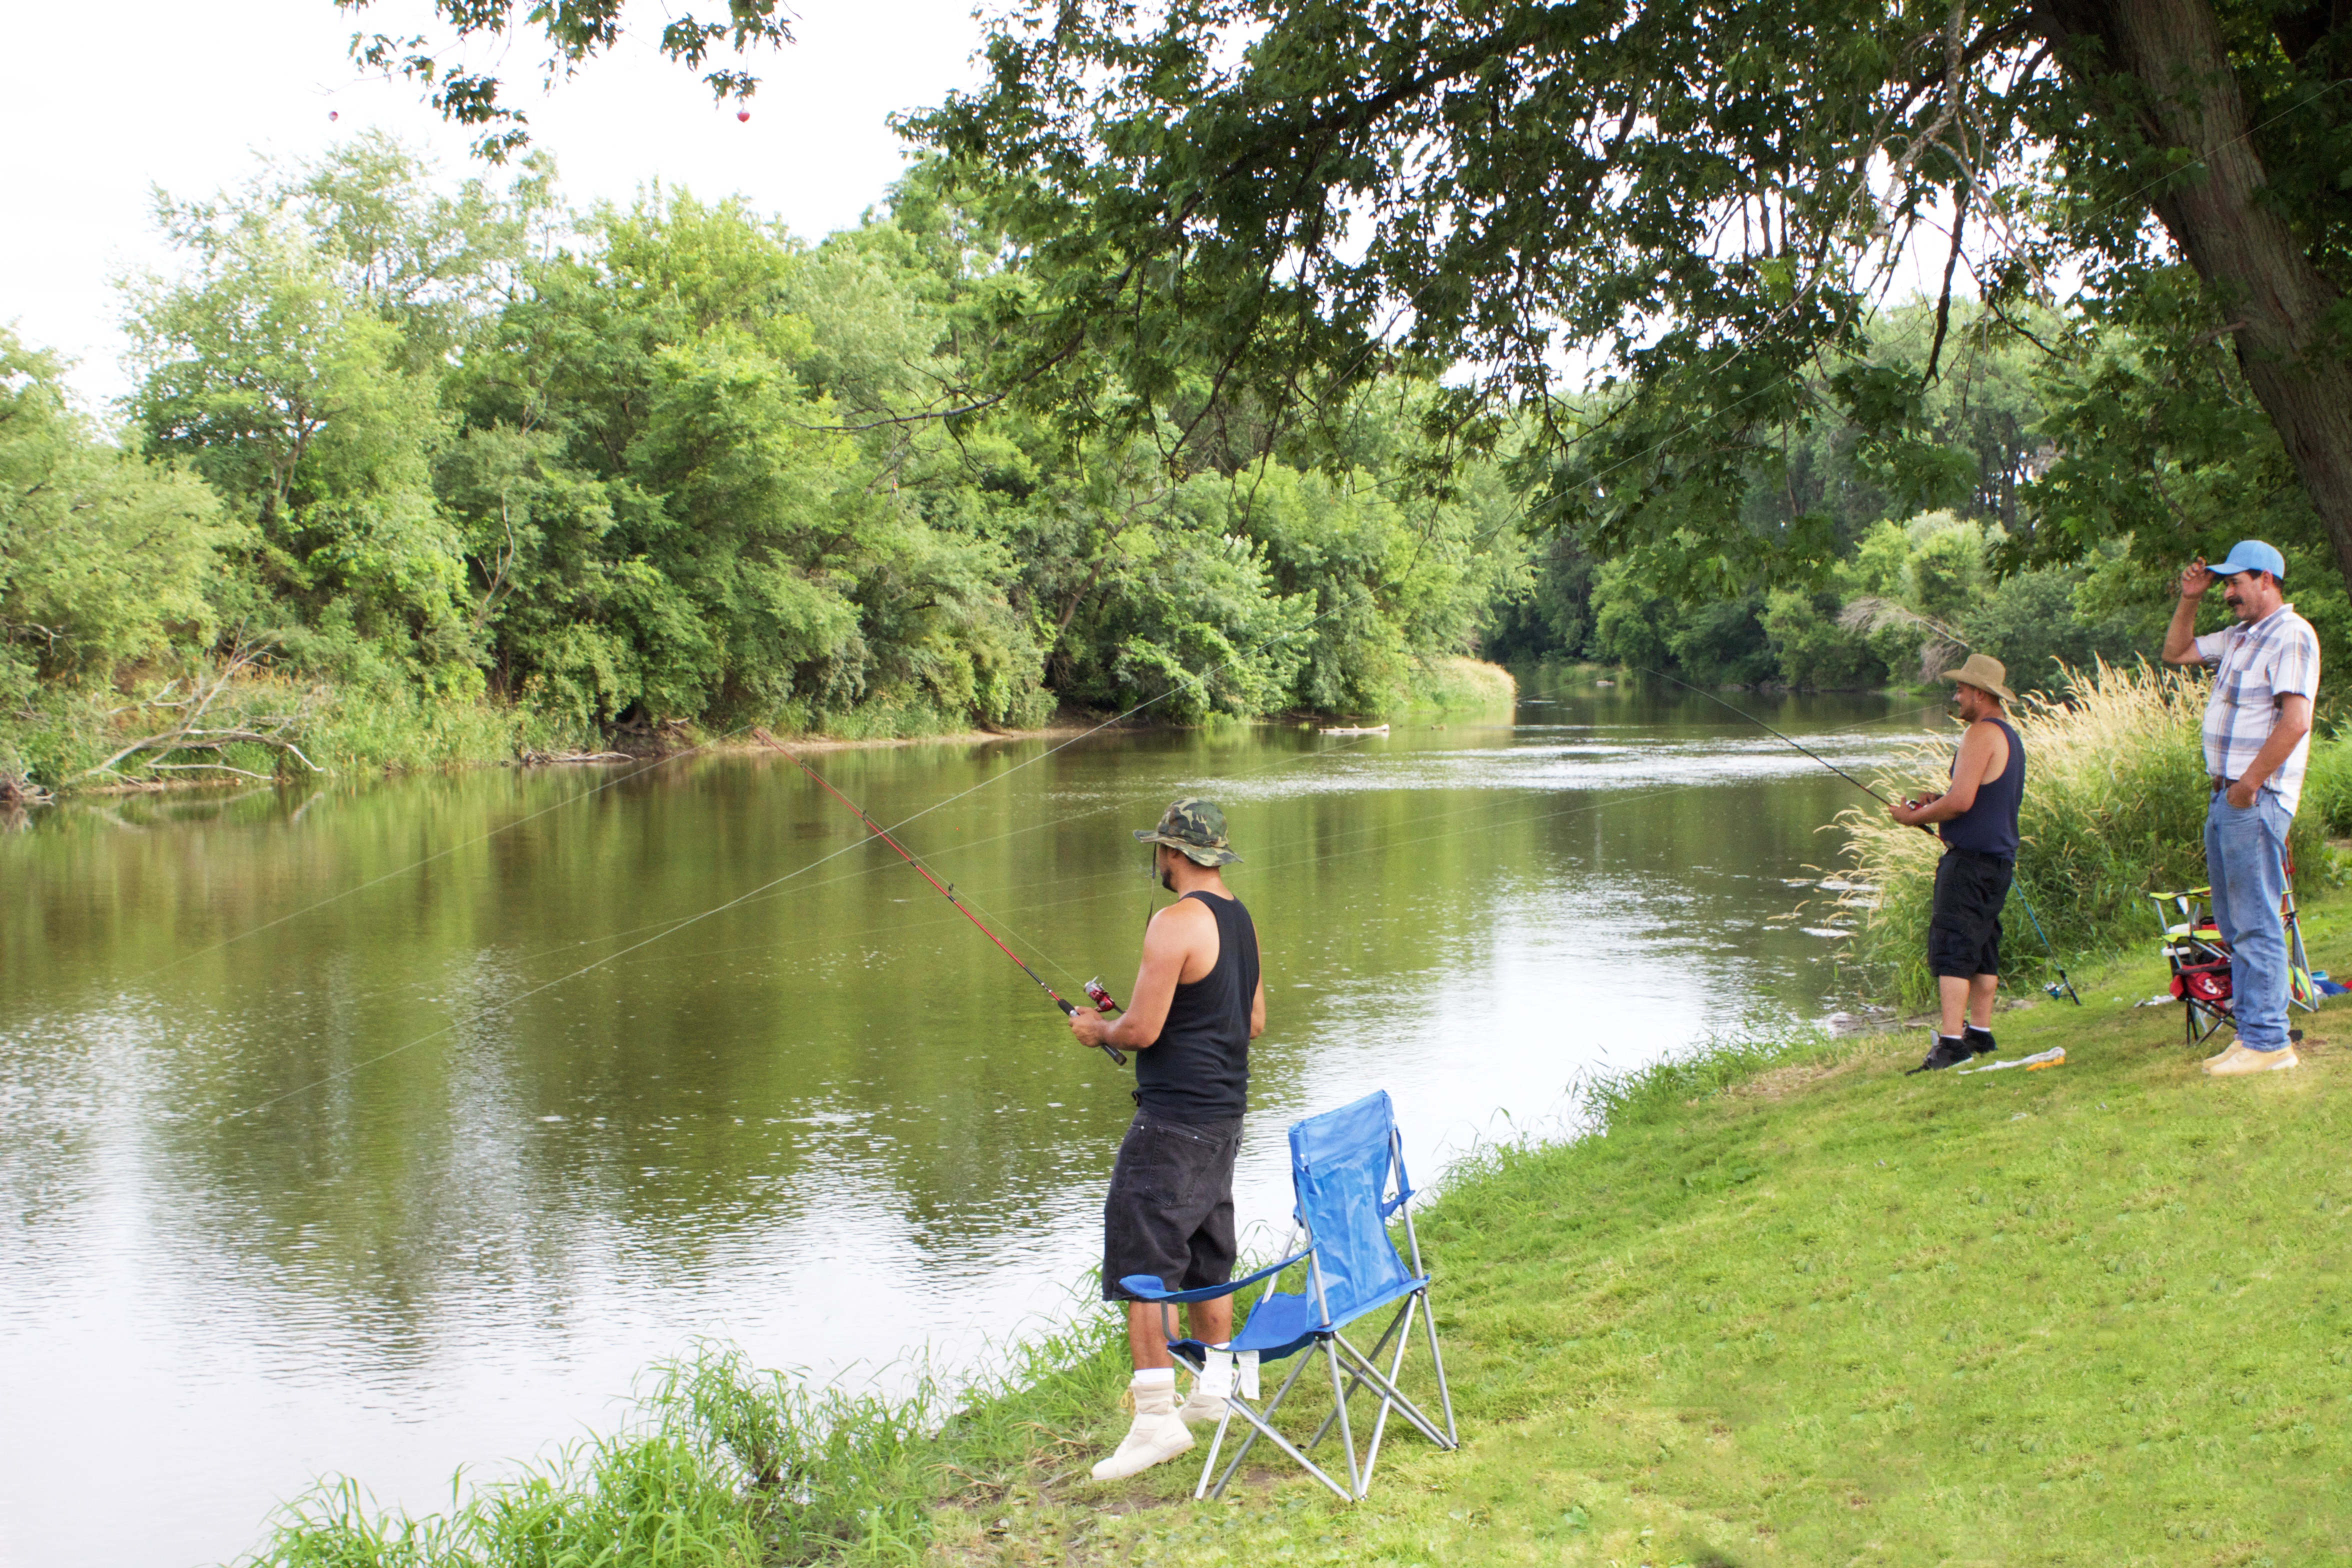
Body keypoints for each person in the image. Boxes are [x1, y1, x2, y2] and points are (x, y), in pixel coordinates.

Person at [1067, 797, 1266, 1481]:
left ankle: (1154, 1421)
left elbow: (1142, 1033)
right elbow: (1255, 1019)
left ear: (1173, 854)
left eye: (1159, 850)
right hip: (1224, 1116)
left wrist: (1101, 1031)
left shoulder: (1173, 921)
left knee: (1140, 1260)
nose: (1157, 860)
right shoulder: (1238, 919)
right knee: (1210, 1249)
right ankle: (1213, 1394)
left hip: (1171, 1122)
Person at [2162, 540, 2319, 1076]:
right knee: (2234, 924)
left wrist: (2248, 787)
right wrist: (2190, 598)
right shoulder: (2239, 637)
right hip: (2227, 795)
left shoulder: (2292, 635)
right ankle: (2253, 1034)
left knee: (2255, 922)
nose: (2227, 593)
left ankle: (2271, 1042)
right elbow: (2177, 653)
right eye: (2223, 584)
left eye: (2235, 583)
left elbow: (2296, 722)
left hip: (2253, 797)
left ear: (2268, 580)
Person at [1890, 654, 2026, 1072]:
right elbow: (1975, 797)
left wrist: (1913, 817)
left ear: (1981, 695)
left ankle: (1951, 1045)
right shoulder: (2008, 735)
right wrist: (1937, 798)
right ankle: (1979, 1033)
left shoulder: (1980, 734)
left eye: (1962, 690)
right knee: (1983, 948)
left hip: (1969, 864)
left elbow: (1963, 801)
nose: (1957, 696)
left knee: (1953, 949)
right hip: (1998, 862)